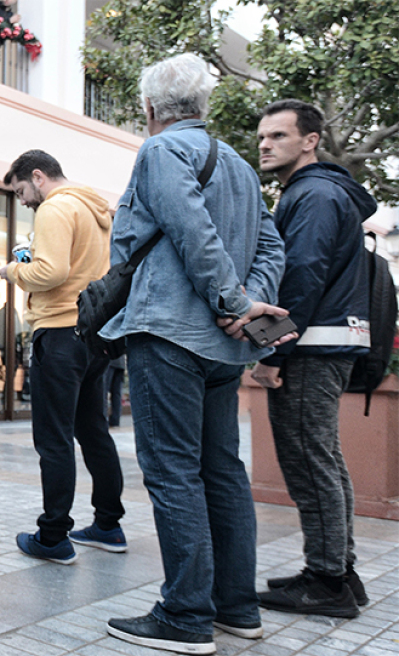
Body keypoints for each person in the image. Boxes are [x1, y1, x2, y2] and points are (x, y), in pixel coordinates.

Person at [98, 54, 288, 655]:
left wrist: (232, 299)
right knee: (221, 471)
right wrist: (250, 303)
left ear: (151, 109)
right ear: (202, 107)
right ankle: (237, 607)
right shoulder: (235, 160)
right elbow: (270, 243)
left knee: (174, 472)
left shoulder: (159, 151)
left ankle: (184, 615)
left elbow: (190, 230)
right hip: (222, 347)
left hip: (170, 331)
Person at [250, 99, 374, 617]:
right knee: (323, 458)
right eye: (263, 137)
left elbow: (300, 278)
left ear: (310, 141)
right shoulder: (319, 192)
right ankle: (337, 571)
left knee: (308, 459)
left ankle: (327, 582)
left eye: (278, 136)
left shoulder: (315, 194)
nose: (265, 144)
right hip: (326, 342)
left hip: (312, 346)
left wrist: (272, 351)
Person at [0, 149, 126, 564]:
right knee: (93, 430)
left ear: (37, 176)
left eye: (21, 191)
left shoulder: (55, 209)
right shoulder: (95, 210)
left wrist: (12, 270)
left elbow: (49, 272)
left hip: (60, 331)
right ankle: (108, 524)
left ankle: (53, 535)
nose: (23, 201)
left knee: (53, 437)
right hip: (93, 334)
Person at [104, 355, 125, 427]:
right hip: (121, 363)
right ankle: (115, 420)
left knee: (104, 391)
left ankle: (104, 420)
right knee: (117, 393)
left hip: (109, 362)